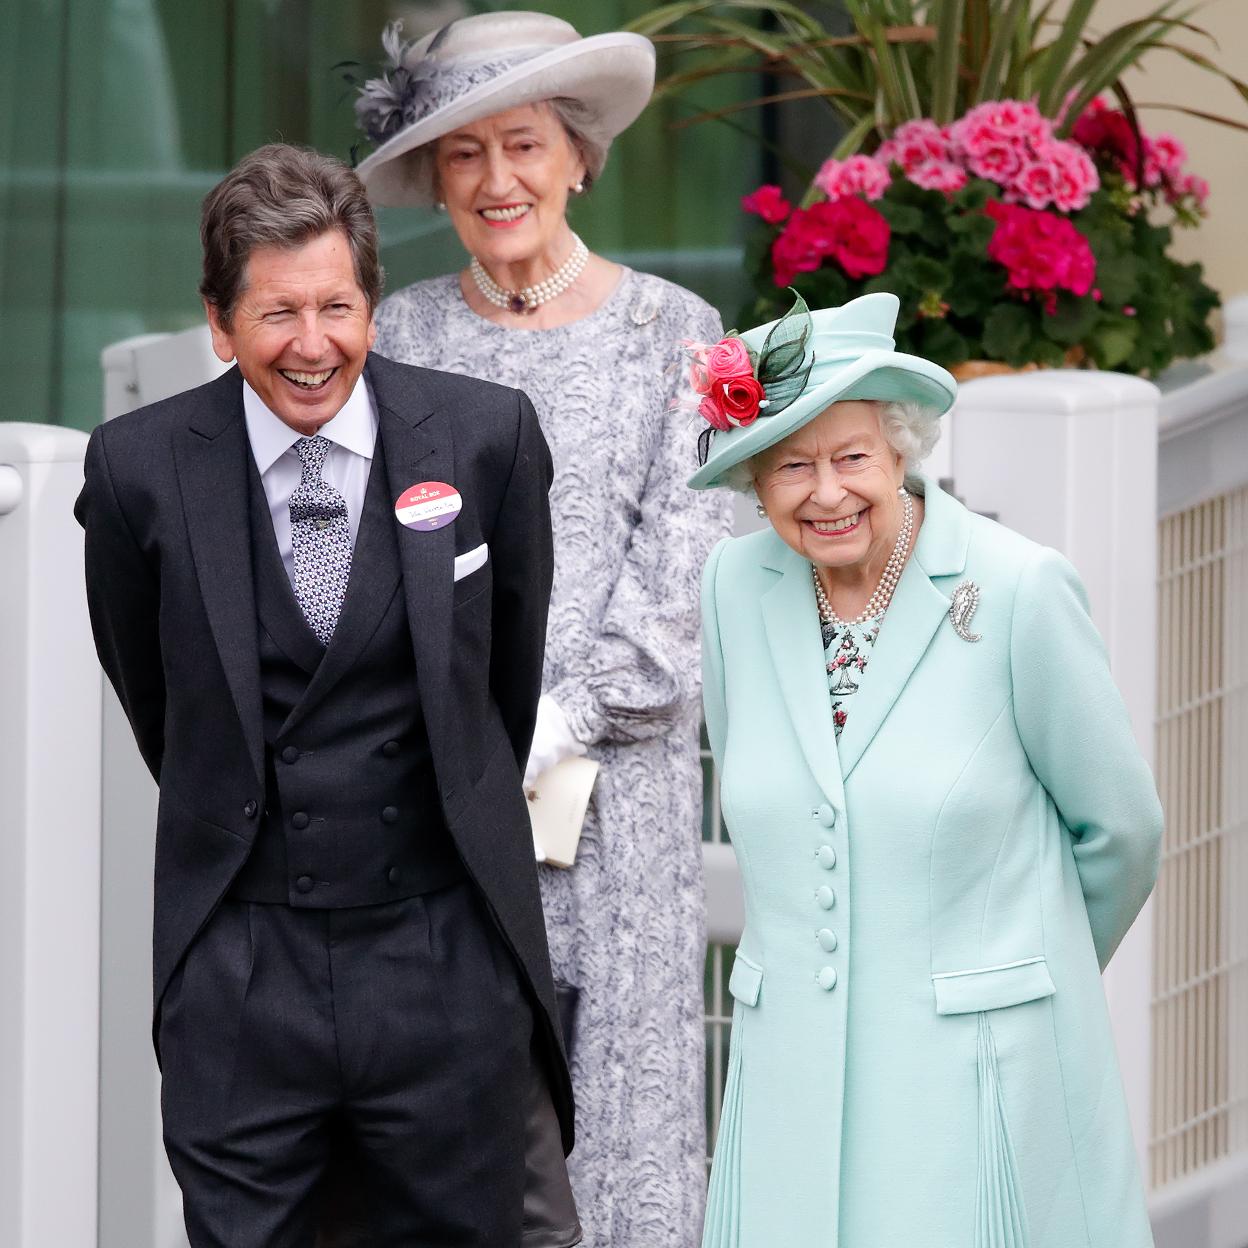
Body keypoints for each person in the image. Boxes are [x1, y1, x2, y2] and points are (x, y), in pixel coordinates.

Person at [75, 142, 581, 1248]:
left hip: (442, 951)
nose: (314, 347)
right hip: (243, 970)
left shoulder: (488, 438)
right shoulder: (136, 471)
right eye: (276, 315)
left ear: (372, 304)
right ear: (219, 322)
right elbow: (160, 703)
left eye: (337, 308)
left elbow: (503, 682)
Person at [351, 12, 735, 1245]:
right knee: (451, 1131)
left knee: (619, 1131)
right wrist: (464, 735)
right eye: (463, 156)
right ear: (436, 183)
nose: (497, 180)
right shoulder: (397, 337)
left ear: (578, 157)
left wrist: (558, 719)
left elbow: (689, 563)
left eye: (523, 145)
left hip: (619, 806)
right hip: (433, 804)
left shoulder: (676, 334)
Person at [691, 292, 1163, 1247]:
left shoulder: (1018, 589)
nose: (825, 492)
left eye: (851, 456)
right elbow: (762, 791)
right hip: (790, 1082)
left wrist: (1026, 973)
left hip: (979, 1078)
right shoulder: (733, 591)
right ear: (756, 482)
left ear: (901, 446)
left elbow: (1123, 831)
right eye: (791, 465)